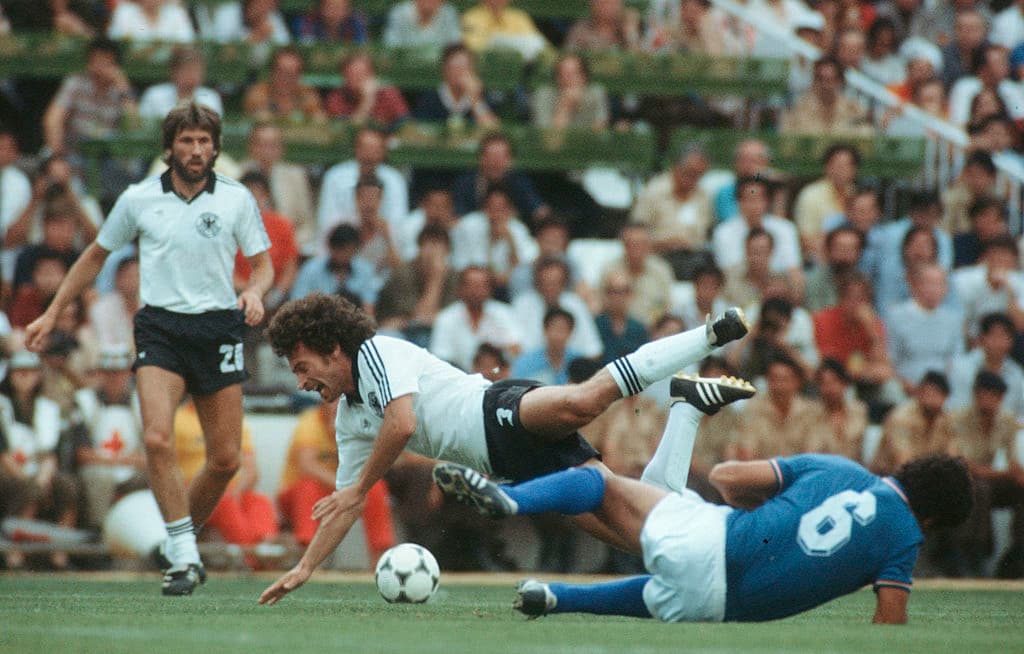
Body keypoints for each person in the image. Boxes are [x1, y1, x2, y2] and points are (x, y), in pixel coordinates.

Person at [256, 291, 750, 605]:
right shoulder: (349, 417)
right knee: (640, 530)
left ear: (333, 349)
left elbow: (402, 425)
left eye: (303, 367)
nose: (301, 381)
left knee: (584, 400)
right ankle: (686, 410)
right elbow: (346, 504)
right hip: (512, 465)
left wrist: (359, 486)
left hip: (496, 409)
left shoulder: (375, 353)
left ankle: (707, 335)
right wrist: (304, 567)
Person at [24, 102, 273, 596]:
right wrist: (52, 313)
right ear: (169, 147)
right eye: (187, 140)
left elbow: (263, 265)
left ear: (216, 147)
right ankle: (183, 554)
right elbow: (95, 256)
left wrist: (254, 292)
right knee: (156, 437)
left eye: (205, 141)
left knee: (225, 460)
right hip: (160, 327)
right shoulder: (139, 199)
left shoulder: (236, 199)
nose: (197, 149)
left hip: (219, 328)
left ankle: (175, 541)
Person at [435, 449, 973, 624]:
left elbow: (725, 478)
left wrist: (775, 508)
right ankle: (556, 599)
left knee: (599, 482)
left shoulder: (839, 468)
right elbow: (890, 624)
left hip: (717, 538)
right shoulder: (905, 539)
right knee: (665, 591)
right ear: (932, 519)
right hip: (724, 607)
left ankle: (513, 501)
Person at [277, 397, 395, 559]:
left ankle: (380, 558)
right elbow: (307, 466)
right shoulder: (309, 422)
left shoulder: (359, 423)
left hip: (341, 491)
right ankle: (307, 556)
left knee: (375, 488)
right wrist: (345, 488)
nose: (338, 408)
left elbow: (367, 462)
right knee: (308, 487)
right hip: (299, 495)